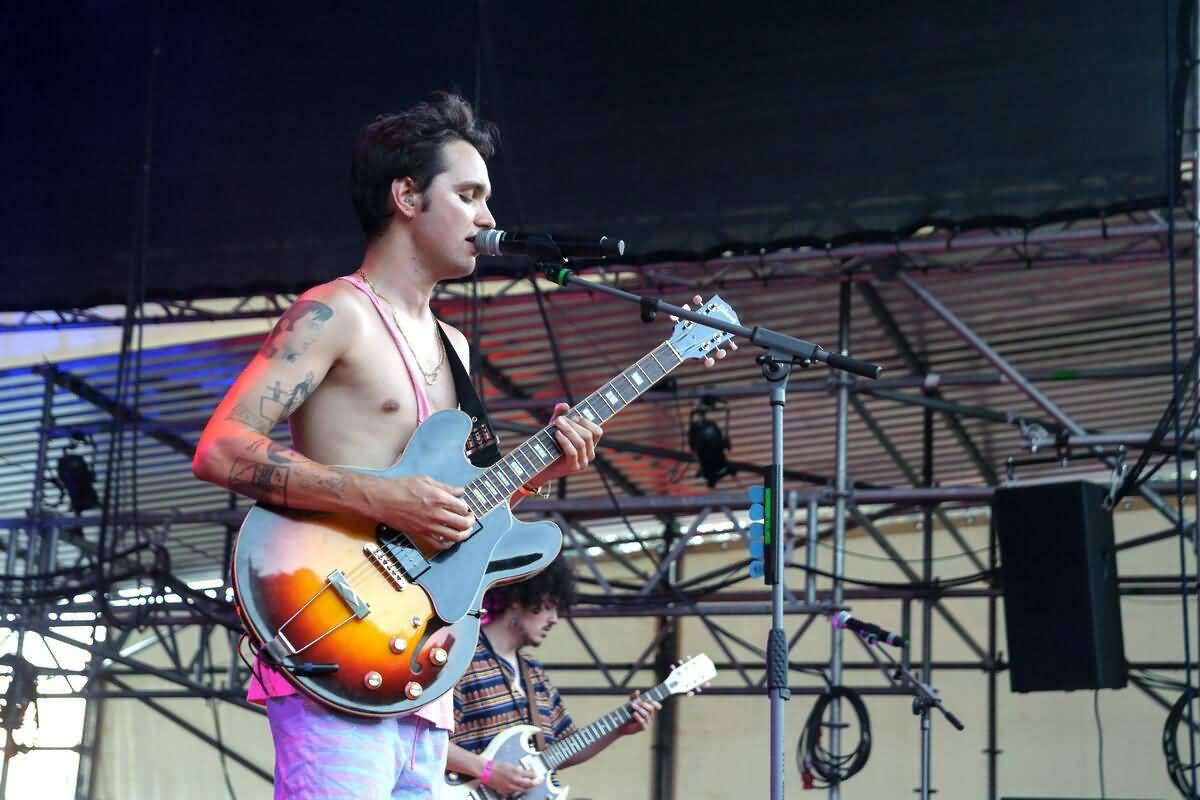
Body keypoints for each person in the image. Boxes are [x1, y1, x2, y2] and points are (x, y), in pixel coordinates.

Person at [192, 92, 604, 799]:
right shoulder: (336, 311)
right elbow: (222, 449)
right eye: (468, 196)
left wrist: (540, 472)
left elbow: (458, 510)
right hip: (333, 627)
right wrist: (381, 495)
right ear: (407, 196)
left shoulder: (455, 347)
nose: (488, 218)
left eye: (487, 199)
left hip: (421, 663)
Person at [446, 558, 661, 796]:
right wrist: (488, 771)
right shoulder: (461, 657)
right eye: (549, 606)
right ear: (517, 598)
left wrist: (618, 729)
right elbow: (424, 741)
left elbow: (563, 749)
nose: (554, 619)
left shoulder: (534, 673)